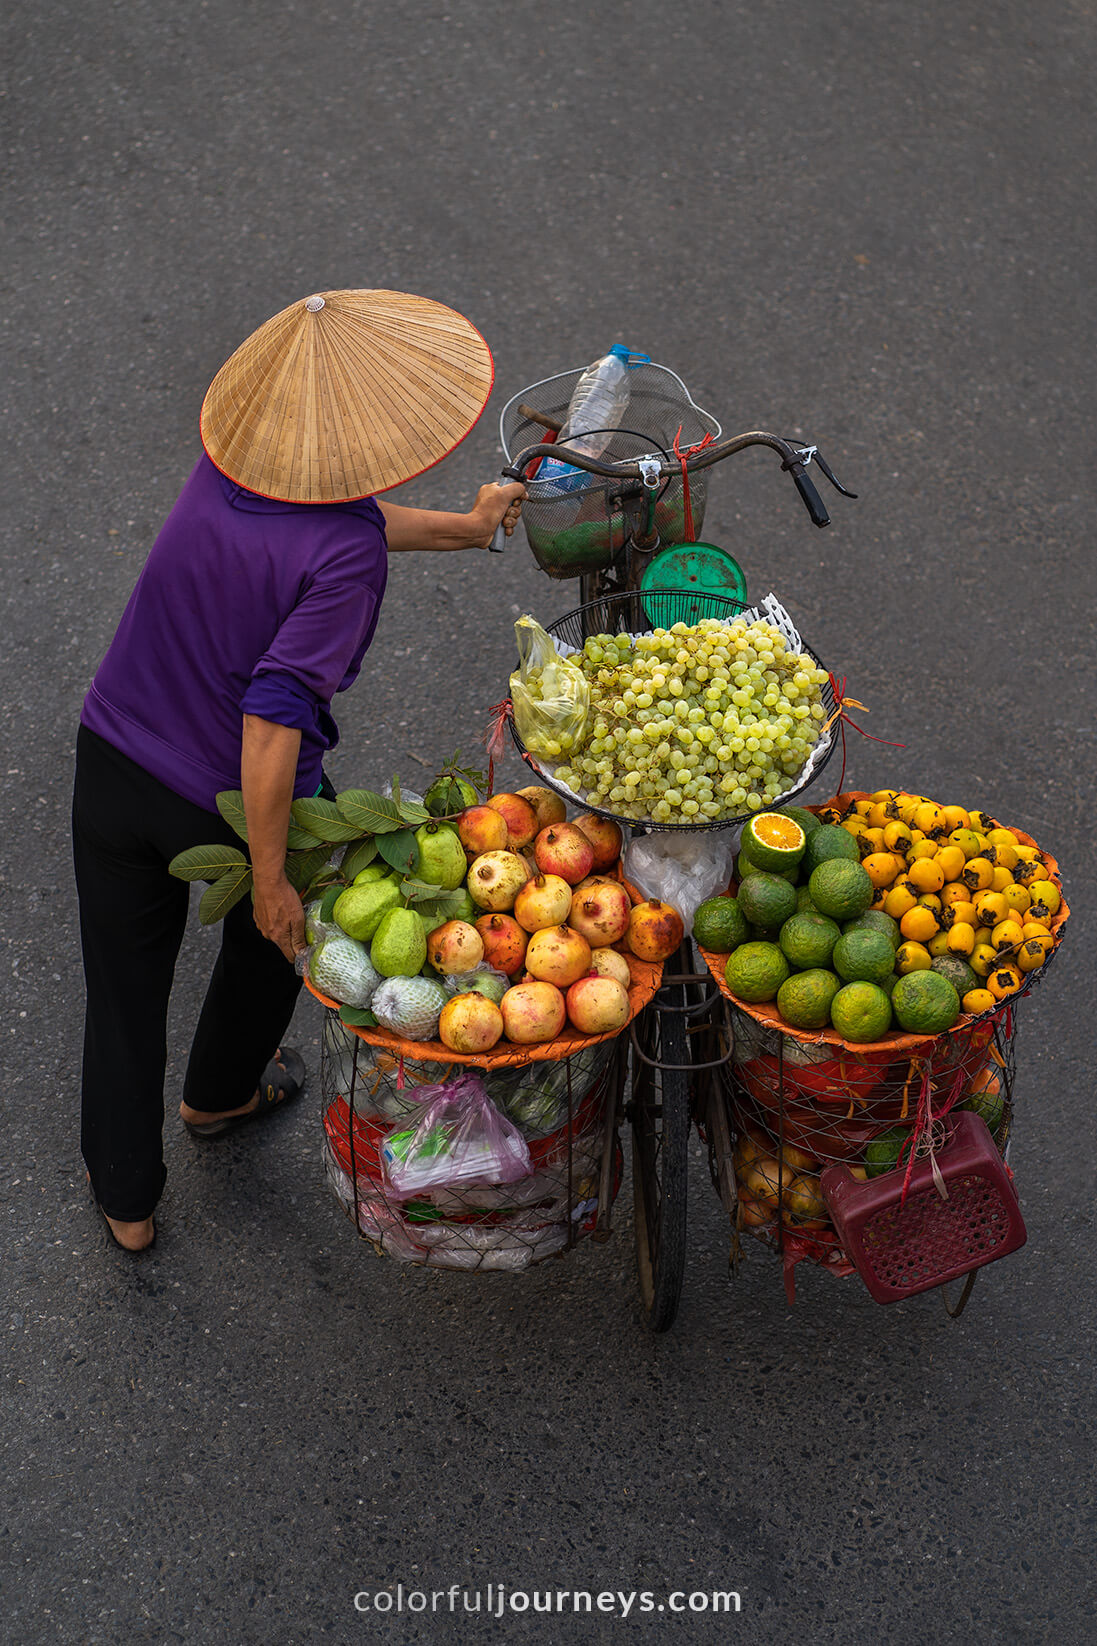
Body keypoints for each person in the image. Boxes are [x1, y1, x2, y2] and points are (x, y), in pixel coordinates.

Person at [73, 288, 524, 1253]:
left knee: (122, 992)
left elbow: (347, 523)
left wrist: (467, 526)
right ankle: (220, 1095)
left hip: (110, 757)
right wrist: (272, 878)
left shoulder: (221, 472)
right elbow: (273, 719)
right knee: (271, 937)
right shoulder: (346, 555)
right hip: (227, 797)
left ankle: (128, 1203)